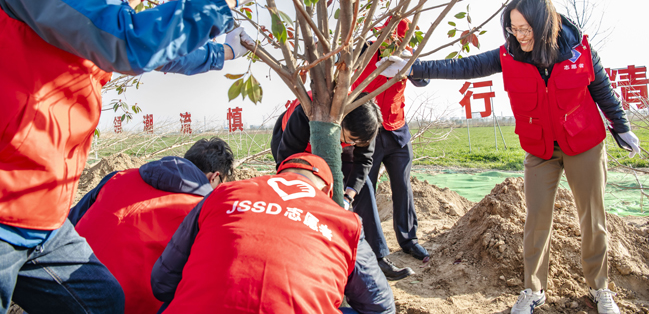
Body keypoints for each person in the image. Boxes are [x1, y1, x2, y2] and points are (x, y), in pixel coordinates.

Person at [0, 0, 265, 313]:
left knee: (103, 302)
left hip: (39, 216)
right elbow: (128, 42)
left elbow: (158, 52)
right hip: (5, 201)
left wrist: (225, 53)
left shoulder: (92, 1)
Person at [380, 0, 640, 314]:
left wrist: (621, 126)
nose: (519, 36)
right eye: (513, 29)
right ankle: (534, 290)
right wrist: (412, 67)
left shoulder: (580, 50)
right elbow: (465, 66)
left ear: (544, 25)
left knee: (592, 218)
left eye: (525, 29)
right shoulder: (510, 54)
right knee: (536, 219)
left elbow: (602, 89)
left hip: (583, 142)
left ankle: (599, 289)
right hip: (541, 147)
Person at [151, 152, 396, 314]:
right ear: (326, 192)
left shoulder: (224, 193)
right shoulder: (345, 221)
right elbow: (381, 307)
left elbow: (161, 282)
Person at [68, 137, 234, 314]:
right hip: (130, 304)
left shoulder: (118, 177)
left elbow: (68, 222)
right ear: (215, 177)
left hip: (66, 286)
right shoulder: (203, 211)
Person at [271, 94, 414, 281]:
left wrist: (348, 196)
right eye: (352, 140)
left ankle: (378, 258)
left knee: (364, 187)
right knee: (299, 193)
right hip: (297, 145)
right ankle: (299, 256)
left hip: (336, 141)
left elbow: (363, 162)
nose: (355, 145)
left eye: (358, 143)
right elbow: (286, 162)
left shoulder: (366, 125)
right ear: (342, 121)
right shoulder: (305, 114)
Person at [352, 17, 431, 261]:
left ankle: (409, 240)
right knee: (366, 189)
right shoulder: (366, 51)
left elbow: (424, 79)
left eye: (401, 42)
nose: (395, 45)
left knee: (402, 187)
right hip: (369, 131)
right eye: (391, 40)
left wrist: (410, 63)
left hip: (398, 130)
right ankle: (367, 244)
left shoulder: (406, 57)